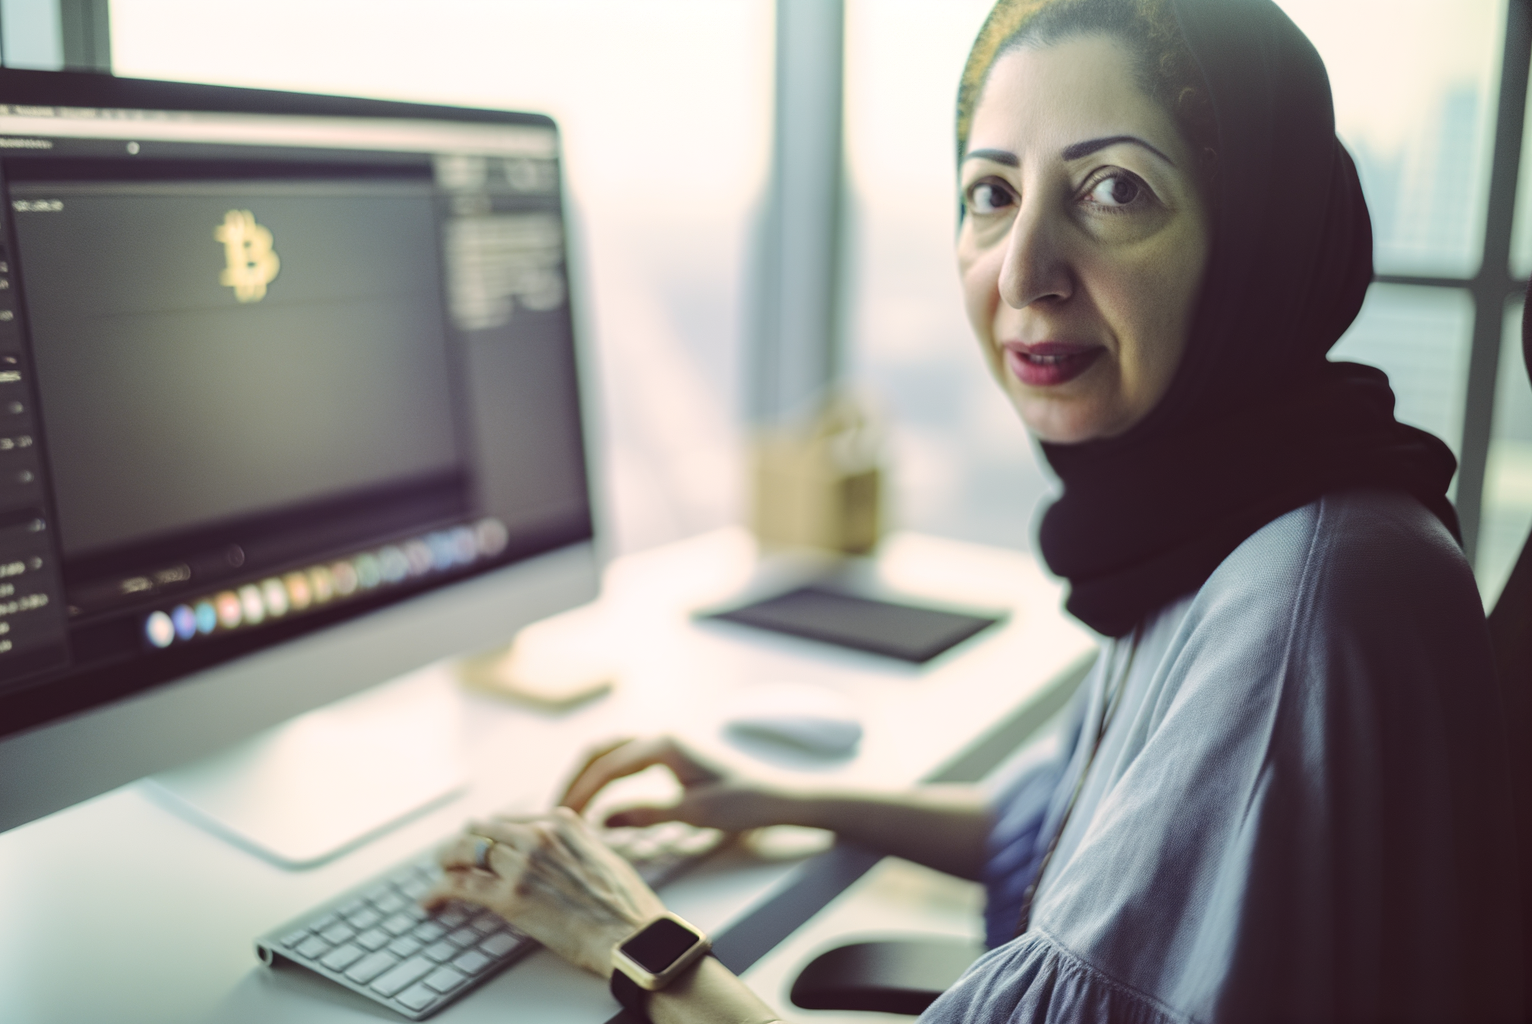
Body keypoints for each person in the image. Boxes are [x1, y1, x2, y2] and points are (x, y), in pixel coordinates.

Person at [421, 0, 1529, 1019]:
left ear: (1262, 241)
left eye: (1115, 191)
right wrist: (779, 797)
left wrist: (624, 930)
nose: (1023, 271)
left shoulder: (1304, 598)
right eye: (992, 193)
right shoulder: (1236, 500)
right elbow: (1067, 831)